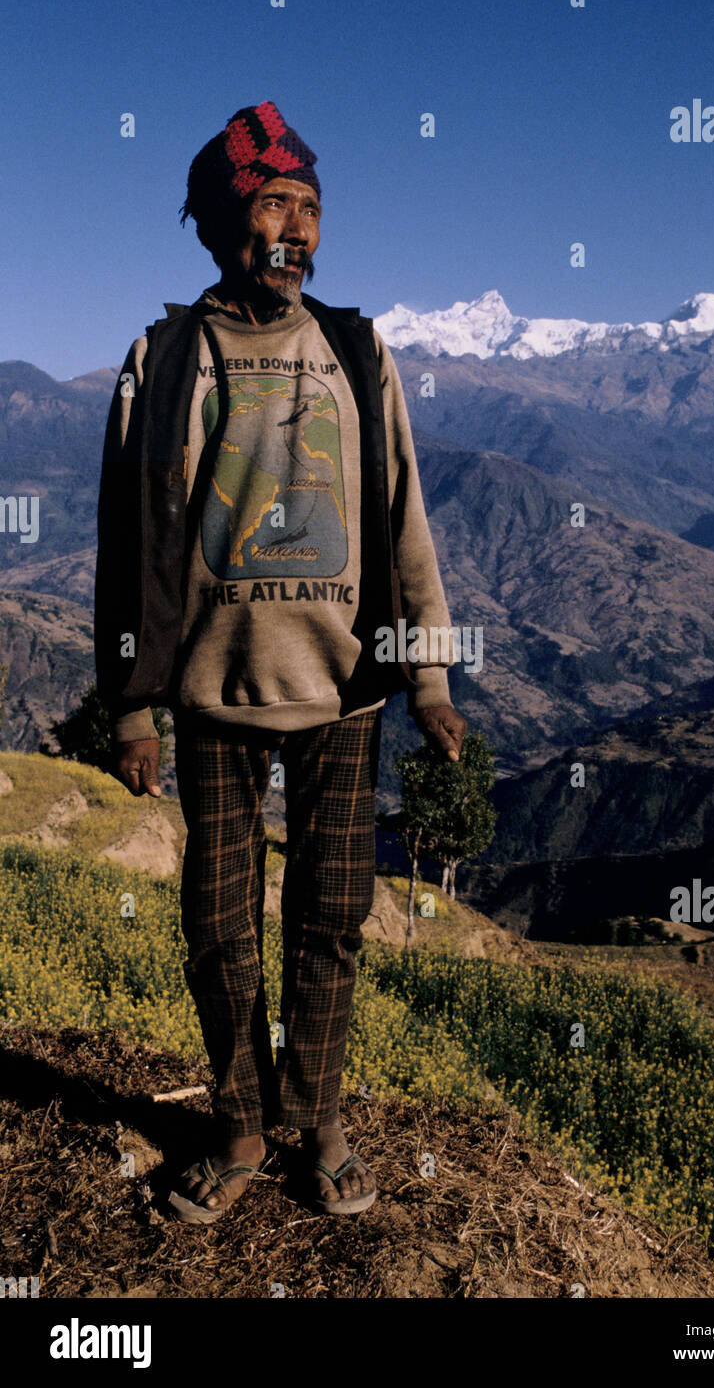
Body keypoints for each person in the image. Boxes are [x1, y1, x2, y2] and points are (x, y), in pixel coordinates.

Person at [94, 101, 466, 1222]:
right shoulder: (165, 361)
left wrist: (433, 680)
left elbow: (405, 517)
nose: (294, 230)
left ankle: (323, 1120)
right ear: (220, 226)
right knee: (218, 920)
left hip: (342, 691)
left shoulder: (357, 352)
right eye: (272, 206)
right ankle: (243, 1126)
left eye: (309, 208)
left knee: (331, 915)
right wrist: (130, 705)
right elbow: (126, 544)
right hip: (212, 693)